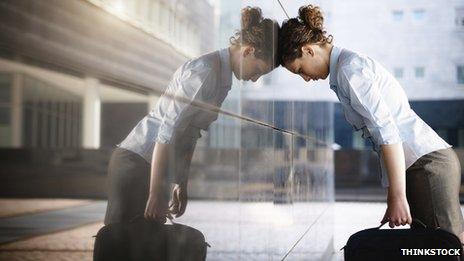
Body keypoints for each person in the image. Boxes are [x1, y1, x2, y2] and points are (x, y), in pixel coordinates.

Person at [278, 4, 464, 241]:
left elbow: (387, 132)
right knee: (444, 246)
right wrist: (393, 194)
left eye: (300, 70)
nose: (305, 78)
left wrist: (397, 196)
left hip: (426, 165)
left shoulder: (349, 70)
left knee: (443, 248)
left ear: (308, 50)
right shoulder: (346, 69)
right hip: (423, 165)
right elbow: (382, 138)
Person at [104, 7, 279, 225]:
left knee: (145, 247)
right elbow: (167, 130)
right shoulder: (205, 72)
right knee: (121, 246)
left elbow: (191, 133)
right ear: (247, 51)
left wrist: (180, 182)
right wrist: (156, 191)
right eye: (258, 70)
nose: (255, 78)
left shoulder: (223, 80)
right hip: (136, 163)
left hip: (154, 169)